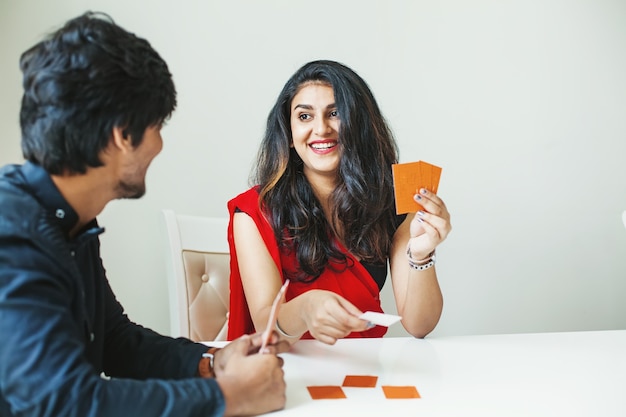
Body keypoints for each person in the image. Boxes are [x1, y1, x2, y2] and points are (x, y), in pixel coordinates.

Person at [0, 12, 288, 417]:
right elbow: (64, 403)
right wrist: (229, 397)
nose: (159, 145)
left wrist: (210, 363)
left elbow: (115, 341)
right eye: (156, 126)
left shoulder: (68, 221)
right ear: (122, 134)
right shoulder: (12, 232)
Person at [227, 60, 452, 345]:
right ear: (290, 135)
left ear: (359, 126)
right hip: (288, 368)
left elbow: (420, 325)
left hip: (368, 367)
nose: (321, 129)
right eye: (305, 116)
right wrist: (307, 308)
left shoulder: (391, 201)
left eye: (334, 113)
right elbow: (264, 323)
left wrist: (422, 254)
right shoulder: (253, 212)